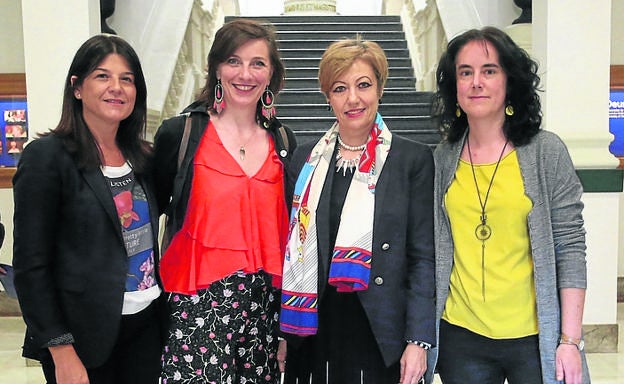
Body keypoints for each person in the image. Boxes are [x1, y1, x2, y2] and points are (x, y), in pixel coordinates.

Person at [429, 26, 590, 384]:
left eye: (489, 70)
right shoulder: (441, 160)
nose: (476, 82)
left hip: (533, 339)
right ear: (454, 88)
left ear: (509, 81)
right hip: (462, 336)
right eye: (465, 72)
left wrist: (569, 340)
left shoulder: (546, 153)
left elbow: (570, 248)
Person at [279, 37, 435, 384]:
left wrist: (418, 341)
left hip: (382, 331)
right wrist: (282, 332)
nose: (352, 98)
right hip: (314, 329)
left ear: (380, 87)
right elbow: (288, 248)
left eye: (363, 85)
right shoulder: (304, 161)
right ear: (327, 96)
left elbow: (423, 257)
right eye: (339, 88)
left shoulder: (412, 160)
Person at [12, 34, 164, 384]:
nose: (117, 87)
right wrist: (60, 349)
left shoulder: (144, 157)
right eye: (102, 76)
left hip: (145, 325)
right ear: (77, 87)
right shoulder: (47, 158)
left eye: (127, 79)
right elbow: (31, 267)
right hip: (82, 337)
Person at [152, 19, 296, 383]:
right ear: (216, 67)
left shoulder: (284, 141)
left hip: (263, 311)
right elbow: (149, 211)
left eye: (258, 63)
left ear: (271, 73)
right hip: (194, 307)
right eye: (234, 61)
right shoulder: (181, 133)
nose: (245, 74)